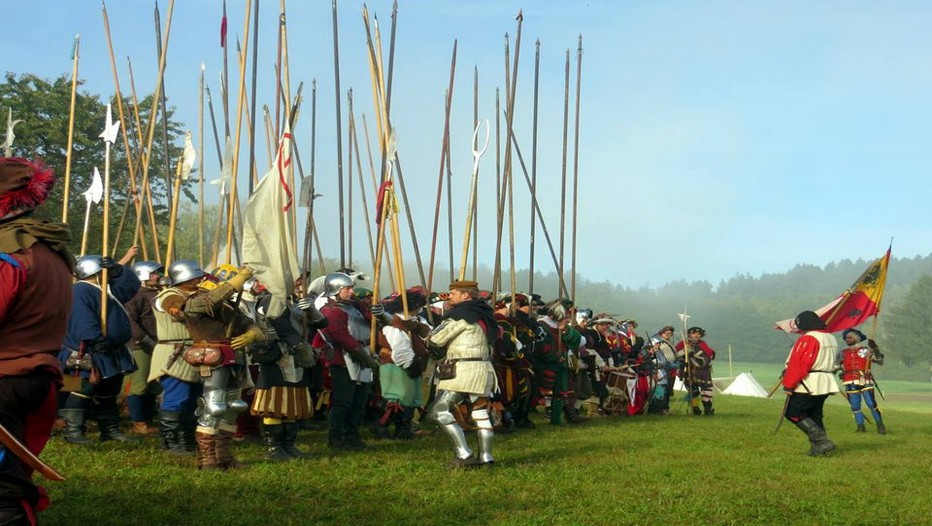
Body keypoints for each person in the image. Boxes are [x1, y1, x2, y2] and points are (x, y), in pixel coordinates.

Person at [0, 157, 74, 524]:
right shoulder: (51, 250)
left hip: (4, 382)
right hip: (34, 379)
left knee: (3, 494)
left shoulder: (8, 253)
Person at [183, 264, 262, 470]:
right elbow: (211, 300)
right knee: (213, 407)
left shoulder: (228, 306)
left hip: (234, 359)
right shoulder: (195, 301)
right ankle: (207, 459)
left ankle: (223, 456)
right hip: (212, 359)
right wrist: (239, 279)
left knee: (234, 406)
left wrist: (251, 334)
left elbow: (251, 324)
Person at [58, 252, 140, 444]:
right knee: (82, 388)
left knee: (108, 391)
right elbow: (81, 318)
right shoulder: (80, 290)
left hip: (110, 350)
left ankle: (110, 430)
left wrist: (118, 270)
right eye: (106, 271)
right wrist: (94, 338)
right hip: (89, 349)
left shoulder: (106, 289)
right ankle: (73, 431)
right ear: (96, 273)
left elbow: (131, 286)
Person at [251, 279, 328, 460]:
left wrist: (311, 309)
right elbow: (283, 328)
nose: (299, 285)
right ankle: (274, 448)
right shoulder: (271, 301)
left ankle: (288, 445)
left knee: (293, 404)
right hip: (277, 355)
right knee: (274, 404)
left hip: (295, 357)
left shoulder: (292, 302)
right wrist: (301, 346)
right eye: (296, 282)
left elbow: (322, 324)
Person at [426, 280, 499, 468]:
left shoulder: (461, 315)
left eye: (454, 293)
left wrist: (424, 331)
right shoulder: (484, 314)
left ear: (465, 295)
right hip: (484, 369)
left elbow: (436, 339)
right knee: (481, 413)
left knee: (439, 411)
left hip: (463, 371)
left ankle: (464, 454)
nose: (450, 296)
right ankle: (486, 458)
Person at [312, 272, 380, 451]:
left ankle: (353, 436)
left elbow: (374, 324)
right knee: (343, 401)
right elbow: (340, 335)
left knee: (359, 401)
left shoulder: (354, 308)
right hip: (343, 359)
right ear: (336, 290)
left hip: (362, 354)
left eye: (352, 288)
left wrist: (379, 314)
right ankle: (336, 438)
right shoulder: (331, 311)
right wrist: (364, 357)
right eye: (347, 289)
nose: (352, 292)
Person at [149, 260, 206, 457]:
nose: (201, 278)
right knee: (177, 397)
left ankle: (186, 439)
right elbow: (181, 309)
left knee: (193, 400)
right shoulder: (167, 296)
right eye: (196, 275)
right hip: (175, 352)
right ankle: (170, 442)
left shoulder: (197, 295)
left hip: (196, 353)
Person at [374, 288, 430, 440]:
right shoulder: (394, 323)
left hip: (413, 363)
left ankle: (403, 429)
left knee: (410, 398)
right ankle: (381, 427)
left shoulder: (416, 321)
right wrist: (410, 364)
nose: (421, 308)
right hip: (395, 364)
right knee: (396, 398)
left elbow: (428, 335)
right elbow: (400, 348)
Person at [782, 310, 840, 456]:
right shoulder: (830, 338)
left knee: (793, 412)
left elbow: (800, 363)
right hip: (825, 381)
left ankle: (821, 441)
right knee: (814, 415)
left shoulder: (809, 338)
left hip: (809, 382)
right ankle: (819, 449)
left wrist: (789, 384)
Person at [123, 260, 165, 436]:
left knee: (153, 385)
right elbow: (131, 321)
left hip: (158, 343)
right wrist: (145, 340)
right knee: (139, 384)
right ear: (143, 274)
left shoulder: (158, 293)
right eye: (154, 272)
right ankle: (138, 421)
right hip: (141, 345)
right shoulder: (135, 294)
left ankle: (147, 419)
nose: (158, 276)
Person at [835, 328, 887, 434]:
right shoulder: (842, 353)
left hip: (865, 380)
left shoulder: (864, 351)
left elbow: (880, 361)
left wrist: (875, 348)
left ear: (856, 338)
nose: (847, 339)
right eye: (846, 338)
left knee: (871, 404)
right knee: (855, 406)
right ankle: (860, 427)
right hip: (849, 381)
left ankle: (880, 426)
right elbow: (836, 367)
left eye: (850, 337)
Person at [675, 326, 716, 416]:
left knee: (707, 391)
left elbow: (710, 354)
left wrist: (710, 355)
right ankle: (695, 409)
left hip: (704, 371)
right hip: (691, 371)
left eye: (698, 334)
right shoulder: (684, 343)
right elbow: (675, 355)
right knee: (693, 392)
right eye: (694, 333)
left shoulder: (703, 344)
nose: (696, 335)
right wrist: (684, 351)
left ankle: (708, 409)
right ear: (689, 335)